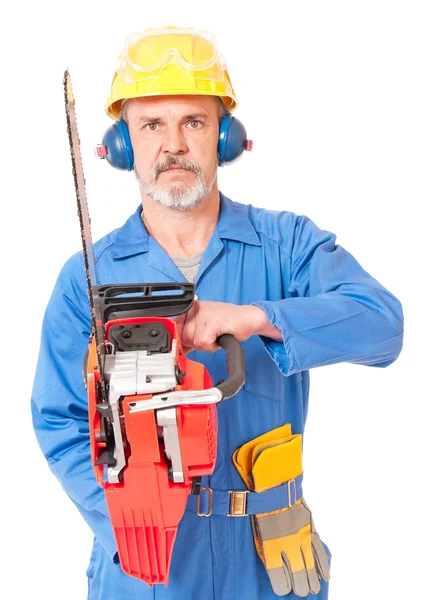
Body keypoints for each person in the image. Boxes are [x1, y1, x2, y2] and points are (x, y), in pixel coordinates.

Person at [31, 26, 404, 600]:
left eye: (195, 122)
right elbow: (58, 420)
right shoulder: (87, 278)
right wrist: (131, 516)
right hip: (147, 566)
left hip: (268, 559)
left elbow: (382, 324)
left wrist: (258, 317)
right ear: (123, 144)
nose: (173, 144)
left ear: (227, 138)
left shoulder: (288, 245)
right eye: (152, 124)